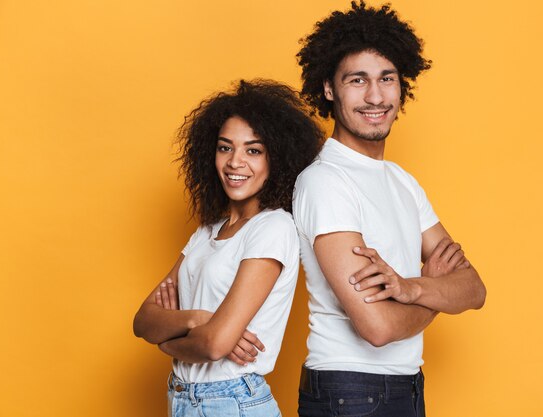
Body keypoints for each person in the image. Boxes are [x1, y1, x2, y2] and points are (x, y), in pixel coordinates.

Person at [293, 2, 487, 416]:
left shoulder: (401, 181)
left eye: (387, 79)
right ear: (329, 88)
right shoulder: (326, 181)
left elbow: (473, 289)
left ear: (403, 86)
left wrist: (411, 287)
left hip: (406, 386)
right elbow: (376, 327)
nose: (375, 97)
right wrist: (436, 294)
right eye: (357, 80)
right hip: (349, 391)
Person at [133, 79, 323, 417]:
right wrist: (198, 318)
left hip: (232, 401)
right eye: (225, 147)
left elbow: (214, 344)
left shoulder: (273, 228)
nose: (236, 162)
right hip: (183, 396)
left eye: (253, 150)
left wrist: (167, 340)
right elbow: (143, 321)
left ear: (276, 158)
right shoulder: (208, 231)